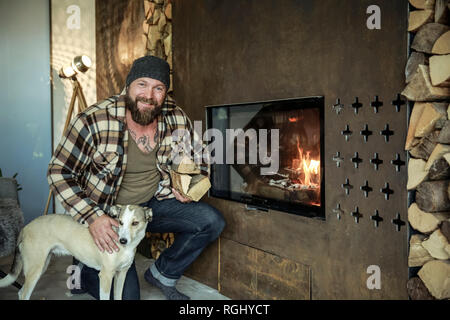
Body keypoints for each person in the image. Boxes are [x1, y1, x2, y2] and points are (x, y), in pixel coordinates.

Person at [47, 55, 225, 300]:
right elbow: (59, 171)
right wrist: (93, 217)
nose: (149, 95)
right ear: (128, 85)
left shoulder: (174, 116)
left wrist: (190, 184)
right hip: (107, 214)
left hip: (151, 207)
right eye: (142, 84)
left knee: (211, 220)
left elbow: (201, 157)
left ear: (165, 92)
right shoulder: (93, 120)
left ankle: (163, 273)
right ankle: (84, 265)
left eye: (158, 88)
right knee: (128, 297)